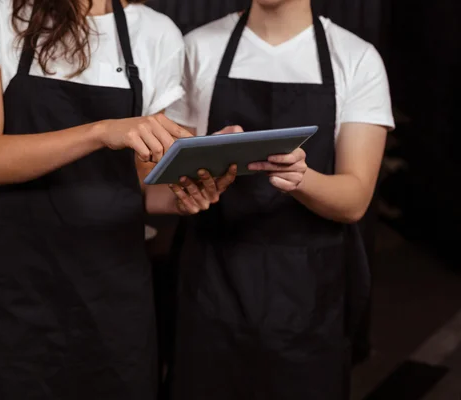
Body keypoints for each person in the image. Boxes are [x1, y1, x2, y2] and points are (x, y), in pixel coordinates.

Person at [0, 0, 236, 398]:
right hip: (11, 295)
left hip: (112, 301)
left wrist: (191, 189)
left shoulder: (156, 33)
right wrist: (99, 132)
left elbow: (143, 188)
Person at [164, 0, 395, 398]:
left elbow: (355, 198)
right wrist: (189, 184)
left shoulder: (356, 58)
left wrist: (302, 179)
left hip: (308, 294)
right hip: (211, 284)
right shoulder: (197, 47)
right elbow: (169, 175)